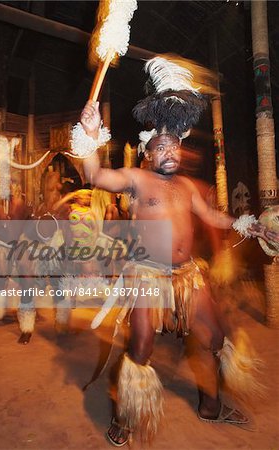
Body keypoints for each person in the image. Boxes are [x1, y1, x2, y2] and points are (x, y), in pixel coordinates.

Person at [72, 55, 262, 446]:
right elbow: (96, 175)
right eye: (160, 148)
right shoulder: (137, 180)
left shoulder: (188, 188)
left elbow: (212, 216)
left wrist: (246, 223)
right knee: (140, 348)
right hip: (146, 273)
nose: (169, 153)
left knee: (213, 337)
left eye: (174, 146)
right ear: (148, 153)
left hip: (189, 274)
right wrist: (90, 136)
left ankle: (211, 406)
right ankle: (126, 417)